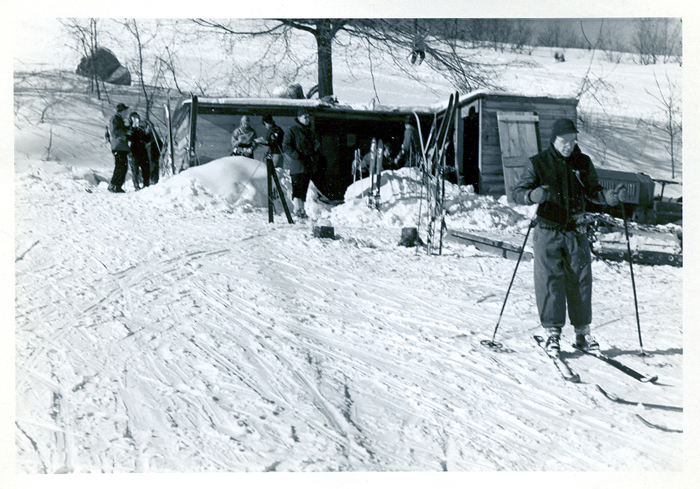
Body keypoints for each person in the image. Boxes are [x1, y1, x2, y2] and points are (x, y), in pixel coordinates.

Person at [511, 118, 627, 356]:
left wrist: (609, 197)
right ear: (554, 139)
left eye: (573, 141)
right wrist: (532, 196)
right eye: (564, 141)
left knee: (581, 282)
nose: (569, 146)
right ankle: (552, 334)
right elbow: (517, 193)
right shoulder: (538, 163)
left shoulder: (582, 162)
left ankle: (582, 333)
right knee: (550, 281)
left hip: (576, 231)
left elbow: (593, 191)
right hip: (547, 230)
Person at [283, 109, 321, 218]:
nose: (307, 119)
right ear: (299, 118)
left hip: (308, 165)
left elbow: (314, 146)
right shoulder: (292, 130)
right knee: (297, 188)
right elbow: (286, 146)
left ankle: (302, 210)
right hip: (297, 164)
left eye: (308, 117)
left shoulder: (310, 131)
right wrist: (297, 155)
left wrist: (314, 154)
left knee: (304, 188)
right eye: (305, 117)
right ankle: (297, 210)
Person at [106, 103, 132, 193]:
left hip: (122, 147)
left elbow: (120, 129)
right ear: (121, 111)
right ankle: (113, 185)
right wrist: (126, 132)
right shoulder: (115, 119)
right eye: (125, 111)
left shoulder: (119, 119)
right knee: (120, 166)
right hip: (118, 146)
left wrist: (128, 129)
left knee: (123, 166)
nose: (127, 113)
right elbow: (114, 131)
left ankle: (117, 185)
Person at [126, 112, 151, 190]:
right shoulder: (128, 129)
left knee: (145, 168)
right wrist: (132, 129)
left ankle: (146, 184)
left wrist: (148, 132)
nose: (136, 120)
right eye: (134, 118)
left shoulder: (141, 129)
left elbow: (147, 140)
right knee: (135, 170)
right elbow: (128, 138)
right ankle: (136, 185)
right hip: (133, 152)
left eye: (137, 118)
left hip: (142, 151)